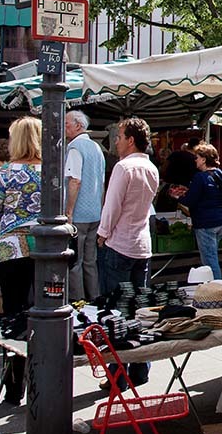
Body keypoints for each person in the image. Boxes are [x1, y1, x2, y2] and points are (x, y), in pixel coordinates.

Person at [98, 117, 159, 387]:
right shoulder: (151, 168)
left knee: (117, 311)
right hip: (141, 244)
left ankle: (117, 374)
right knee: (139, 309)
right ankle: (140, 369)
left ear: (131, 140)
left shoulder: (124, 168)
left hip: (121, 243)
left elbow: (112, 206)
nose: (116, 141)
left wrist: (102, 233)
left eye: (120, 137)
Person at [0, 117, 42, 404]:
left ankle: (15, 389)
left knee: (14, 317)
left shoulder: (4, 173)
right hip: (44, 249)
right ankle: (42, 381)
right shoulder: (50, 171)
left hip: (10, 249)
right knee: (42, 317)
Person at [65, 110, 106, 302]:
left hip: (79, 214)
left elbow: (75, 181)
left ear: (78, 126)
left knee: (76, 262)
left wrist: (68, 212)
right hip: (95, 212)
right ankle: (95, 298)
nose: (64, 128)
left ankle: (78, 302)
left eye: (67, 124)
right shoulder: (96, 148)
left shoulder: (75, 148)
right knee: (91, 261)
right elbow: (101, 181)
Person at [172, 142, 222, 279]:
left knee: (210, 261)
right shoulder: (220, 174)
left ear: (203, 159)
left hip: (206, 223)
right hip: (221, 221)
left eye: (197, 157)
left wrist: (178, 197)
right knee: (212, 255)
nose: (195, 160)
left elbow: (191, 200)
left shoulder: (200, 177)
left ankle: (217, 289)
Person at [154, 137, 199, 212]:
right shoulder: (195, 160)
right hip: (184, 192)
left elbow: (163, 169)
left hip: (167, 189)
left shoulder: (175, 154)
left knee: (163, 215)